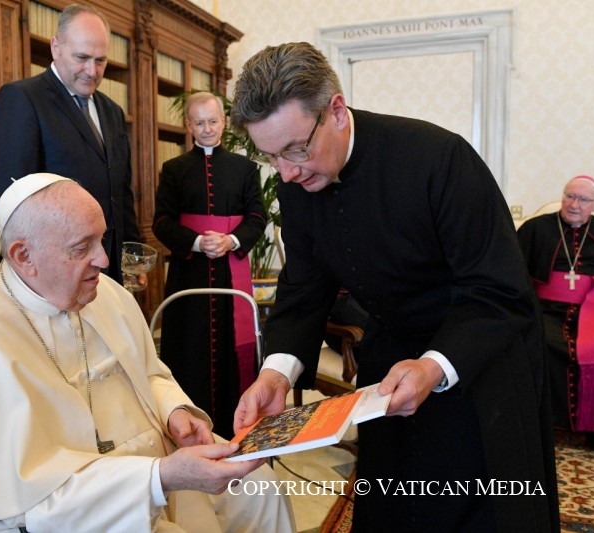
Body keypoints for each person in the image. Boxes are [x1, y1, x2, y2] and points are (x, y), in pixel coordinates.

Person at [229, 42, 559, 532]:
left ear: (336, 111)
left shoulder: (439, 158)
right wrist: (276, 373)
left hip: (476, 359)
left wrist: (434, 366)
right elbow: (303, 291)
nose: (288, 171)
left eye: (297, 148)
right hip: (390, 368)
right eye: (272, 156)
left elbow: (499, 292)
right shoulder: (296, 186)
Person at [0, 174, 295, 532]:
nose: (104, 260)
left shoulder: (105, 294)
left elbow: (150, 373)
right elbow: (22, 502)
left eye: (101, 238)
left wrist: (174, 411)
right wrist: (158, 479)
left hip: (156, 462)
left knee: (263, 488)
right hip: (68, 510)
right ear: (23, 256)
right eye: (81, 246)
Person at [0, 4, 141, 284]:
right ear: (55, 47)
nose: (92, 71)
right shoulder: (21, 99)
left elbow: (120, 193)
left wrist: (130, 253)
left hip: (108, 267)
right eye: (81, 57)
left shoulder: (113, 112)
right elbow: (12, 202)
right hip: (52, 272)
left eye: (101, 60)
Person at [152, 92, 266, 439]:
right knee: (190, 350)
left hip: (232, 276)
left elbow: (257, 216)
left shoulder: (245, 169)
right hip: (190, 278)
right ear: (188, 125)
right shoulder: (173, 170)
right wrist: (198, 242)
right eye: (199, 122)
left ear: (223, 122)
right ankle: (190, 431)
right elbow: (161, 222)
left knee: (232, 353)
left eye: (213, 121)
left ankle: (238, 430)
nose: (207, 129)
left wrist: (231, 240)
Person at [517, 175, 594, 461]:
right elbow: (514, 274)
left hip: (592, 312)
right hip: (544, 311)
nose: (574, 204)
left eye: (583, 199)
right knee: (540, 343)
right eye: (569, 196)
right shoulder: (535, 229)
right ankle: (539, 425)